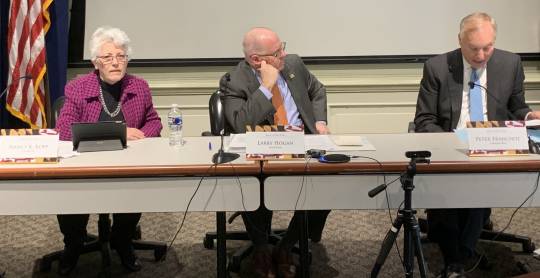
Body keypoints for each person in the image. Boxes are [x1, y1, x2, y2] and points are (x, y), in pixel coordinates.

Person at [414, 12, 540, 278]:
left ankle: (457, 260)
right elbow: (424, 120)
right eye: (474, 49)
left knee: (479, 179)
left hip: (492, 145)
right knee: (451, 184)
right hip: (451, 144)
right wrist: (452, 144)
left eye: (488, 47)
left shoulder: (510, 63)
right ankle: (458, 258)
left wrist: (530, 116)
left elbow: (517, 106)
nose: (482, 55)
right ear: (460, 41)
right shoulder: (437, 67)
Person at [220, 27, 330, 278]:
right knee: (249, 184)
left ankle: (286, 246)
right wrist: (266, 87)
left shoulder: (293, 64)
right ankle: (260, 249)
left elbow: (317, 90)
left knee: (328, 182)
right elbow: (240, 124)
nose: (285, 54)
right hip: (260, 153)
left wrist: (320, 122)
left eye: (282, 47)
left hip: (302, 146)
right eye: (278, 52)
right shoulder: (234, 80)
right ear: (256, 60)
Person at [55, 26, 162, 275]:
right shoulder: (78, 88)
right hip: (83, 163)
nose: (115, 62)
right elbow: (64, 131)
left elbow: (154, 121)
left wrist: (144, 134)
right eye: (107, 57)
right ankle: (73, 243)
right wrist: (120, 132)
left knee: (134, 188)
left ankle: (122, 240)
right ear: (95, 62)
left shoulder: (140, 86)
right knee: (69, 194)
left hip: (127, 161)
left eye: (121, 56)